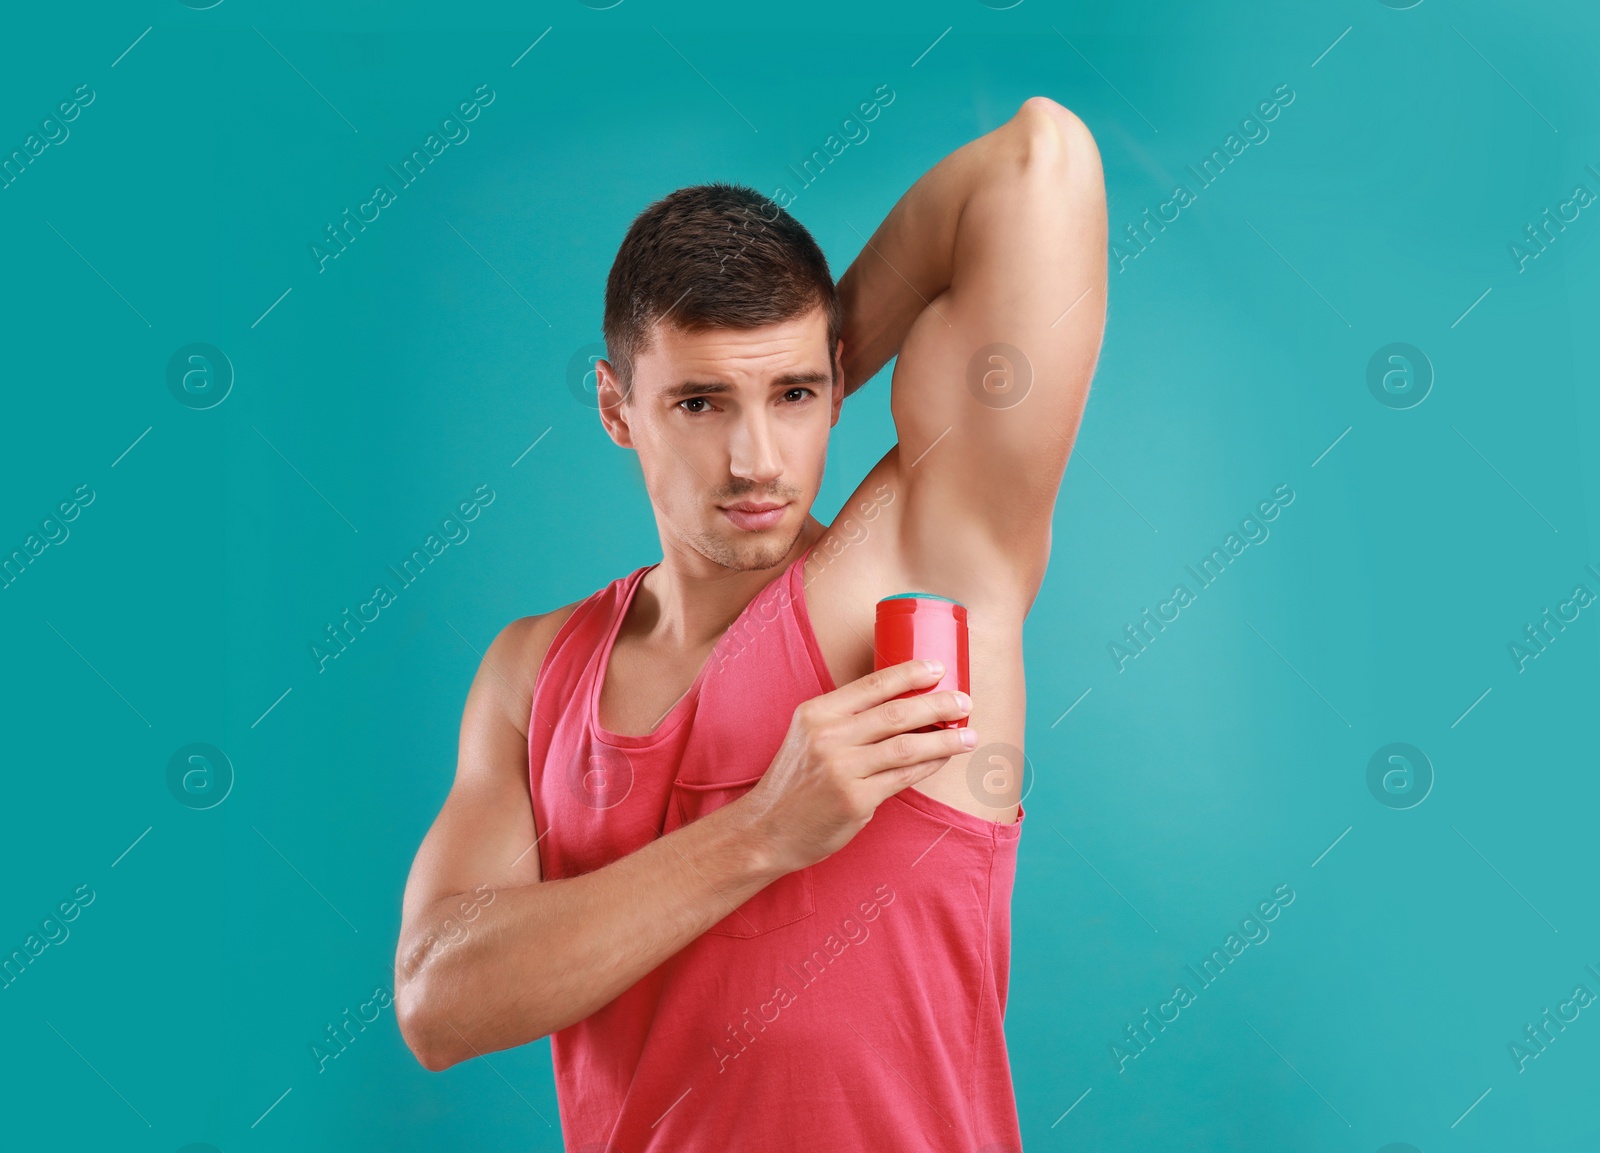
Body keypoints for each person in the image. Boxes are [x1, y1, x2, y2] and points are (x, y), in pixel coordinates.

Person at [395, 94, 1106, 1151]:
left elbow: (1037, 160)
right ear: (613, 406)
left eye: (793, 397)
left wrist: (824, 356)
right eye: (699, 403)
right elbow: (437, 999)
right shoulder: (534, 672)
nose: (756, 463)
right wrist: (764, 830)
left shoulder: (921, 570)